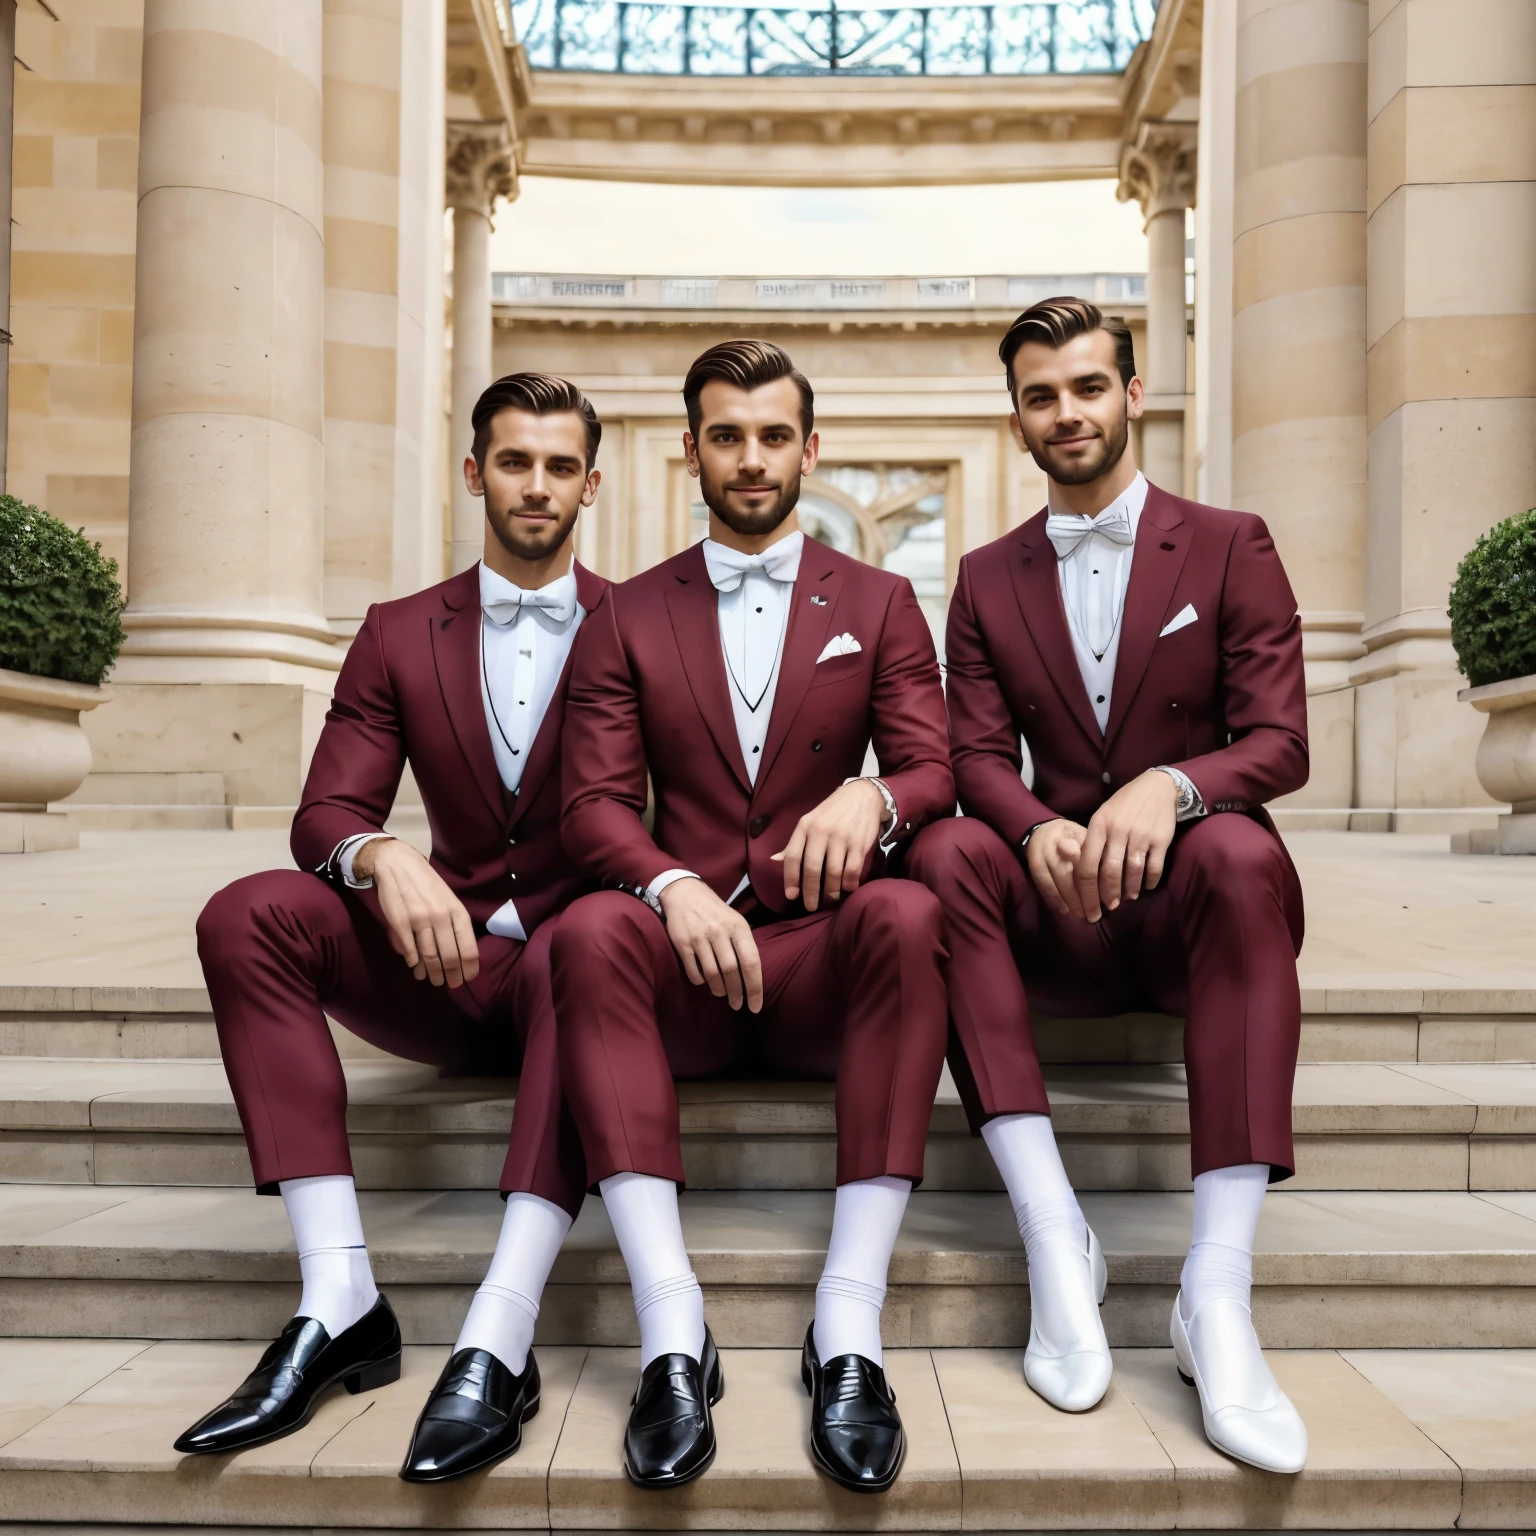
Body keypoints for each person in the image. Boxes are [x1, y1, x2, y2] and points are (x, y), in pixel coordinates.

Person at [176, 373, 609, 1484]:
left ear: (592, 485)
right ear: (475, 474)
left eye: (560, 466)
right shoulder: (397, 630)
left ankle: (499, 1337)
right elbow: (324, 809)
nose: (536, 485)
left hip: (590, 978)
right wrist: (382, 855)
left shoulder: (644, 620)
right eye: (514, 461)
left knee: (585, 938)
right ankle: (339, 1298)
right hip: (442, 963)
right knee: (249, 913)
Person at [906, 297, 1309, 1473]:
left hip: (1189, 906)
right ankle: (1053, 1235)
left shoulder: (1232, 543)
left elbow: (1280, 742)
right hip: (1060, 919)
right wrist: (1033, 829)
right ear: (1018, 417)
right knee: (943, 853)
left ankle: (1215, 1292)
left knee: (1243, 847)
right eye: (1042, 395)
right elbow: (973, 757)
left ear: (1135, 392)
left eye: (1088, 387)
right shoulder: (983, 579)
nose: (1067, 413)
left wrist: (1171, 787)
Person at [550, 339, 953, 1494]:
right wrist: (670, 886)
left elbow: (935, 771)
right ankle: (674, 1334)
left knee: (912, 915)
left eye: (774, 435)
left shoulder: (878, 600)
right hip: (686, 963)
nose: (752, 457)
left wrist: (871, 795)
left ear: (811, 449)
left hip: (820, 956)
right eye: (726, 435)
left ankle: (850, 1325)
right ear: (690, 451)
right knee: (588, 931)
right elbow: (590, 807)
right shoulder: (624, 613)